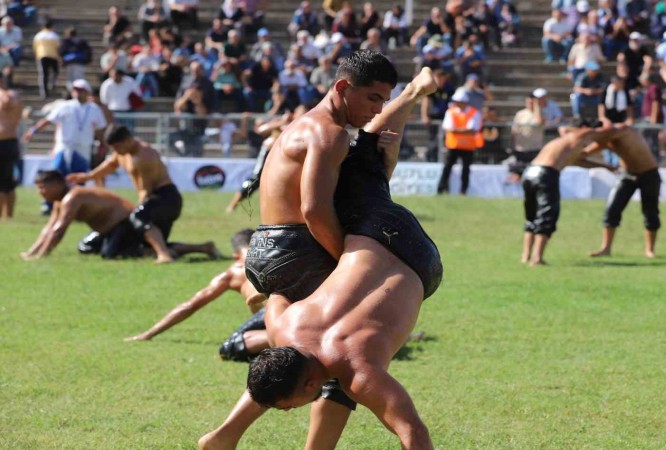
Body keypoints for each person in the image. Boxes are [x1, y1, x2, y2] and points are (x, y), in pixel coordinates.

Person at [199, 56, 439, 450]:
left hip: (269, 249)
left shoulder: (305, 125)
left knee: (300, 353)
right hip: (299, 246)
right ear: (343, 88)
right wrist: (348, 256)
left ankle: (227, 434)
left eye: (384, 101)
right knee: (335, 358)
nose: (377, 108)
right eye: (373, 98)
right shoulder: (330, 134)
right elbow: (314, 210)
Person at [21, 170, 218, 260]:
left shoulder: (74, 196)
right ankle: (195, 248)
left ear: (58, 184)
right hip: (108, 230)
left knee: (111, 254)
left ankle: (199, 247)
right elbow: (50, 228)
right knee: (86, 247)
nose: (41, 192)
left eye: (44, 187)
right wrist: (32, 252)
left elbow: (59, 230)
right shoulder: (60, 200)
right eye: (38, 188)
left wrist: (42, 256)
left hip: (125, 223)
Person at [66, 125, 190, 264]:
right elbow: (111, 165)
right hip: (154, 198)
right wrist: (88, 176)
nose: (116, 151)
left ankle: (164, 255)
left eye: (117, 147)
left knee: (139, 217)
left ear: (128, 140)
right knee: (141, 238)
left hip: (165, 198)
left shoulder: (145, 155)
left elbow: (146, 190)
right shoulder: (123, 152)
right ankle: (204, 248)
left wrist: (136, 209)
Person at [125, 228, 267, 343]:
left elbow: (190, 306)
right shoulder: (275, 260)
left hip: (268, 315)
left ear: (235, 255)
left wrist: (148, 334)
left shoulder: (232, 273)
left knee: (232, 346)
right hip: (277, 308)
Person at [521, 125, 616, 266]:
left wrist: (604, 166)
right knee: (547, 215)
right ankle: (536, 258)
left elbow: (578, 161)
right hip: (546, 174)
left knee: (532, 216)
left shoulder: (564, 142)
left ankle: (525, 256)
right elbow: (593, 132)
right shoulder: (579, 135)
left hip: (530, 172)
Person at [581, 126, 662, 257]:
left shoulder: (622, 130)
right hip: (627, 175)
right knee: (612, 209)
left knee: (650, 212)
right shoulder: (605, 140)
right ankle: (606, 248)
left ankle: (650, 250)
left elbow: (610, 133)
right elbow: (585, 152)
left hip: (649, 174)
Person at [22, 79, 108, 179]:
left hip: (83, 147)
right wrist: (32, 131)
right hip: (64, 146)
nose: (77, 92)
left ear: (87, 92)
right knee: (58, 176)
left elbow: (101, 129)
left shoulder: (94, 109)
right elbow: (48, 120)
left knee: (79, 178)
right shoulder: (65, 106)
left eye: (80, 90)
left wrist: (104, 144)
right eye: (75, 90)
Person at [436, 90, 483, 195]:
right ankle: (441, 189)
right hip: (453, 146)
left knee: (465, 170)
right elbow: (448, 128)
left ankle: (463, 191)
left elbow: (473, 130)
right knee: (447, 168)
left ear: (464, 102)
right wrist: (465, 130)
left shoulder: (474, 112)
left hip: (468, 147)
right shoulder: (451, 112)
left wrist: (456, 130)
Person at [0, 79, 22, 219]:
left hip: (6, 142)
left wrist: (1, 89)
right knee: (7, 182)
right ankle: (8, 216)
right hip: (7, 143)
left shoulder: (11, 95)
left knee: (4, 182)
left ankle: (7, 214)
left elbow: (7, 103)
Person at [32, 20, 60, 99]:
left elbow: (35, 47)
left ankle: (44, 92)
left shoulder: (38, 35)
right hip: (53, 56)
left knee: (43, 74)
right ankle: (52, 85)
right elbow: (58, 47)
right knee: (55, 72)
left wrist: (36, 55)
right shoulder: (54, 35)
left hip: (41, 55)